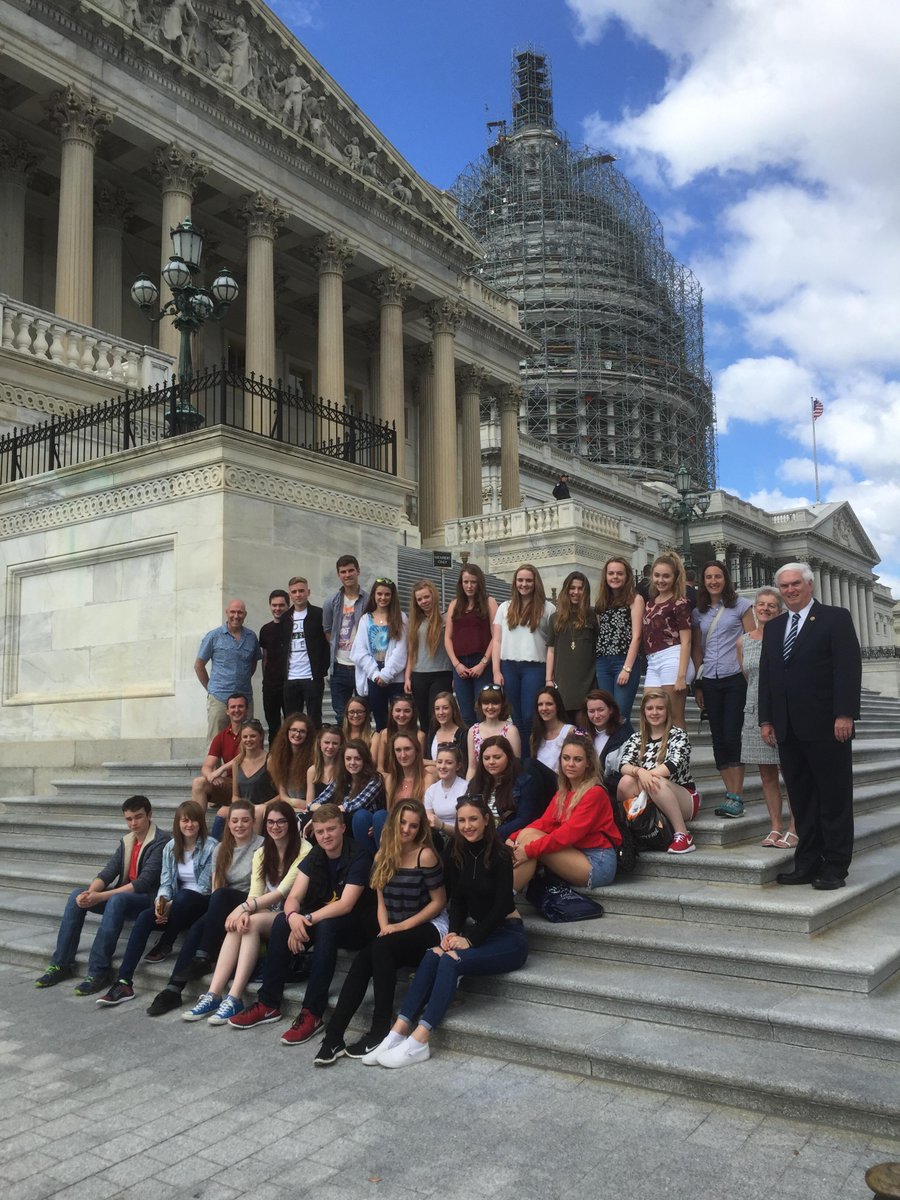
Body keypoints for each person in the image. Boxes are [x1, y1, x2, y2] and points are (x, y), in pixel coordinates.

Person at [370, 796, 527, 1068]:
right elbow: (458, 901)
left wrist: (470, 940)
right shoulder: (457, 852)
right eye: (462, 820)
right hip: (480, 933)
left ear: (486, 820)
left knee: (451, 961)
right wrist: (452, 934)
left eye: (473, 819)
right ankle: (397, 1032)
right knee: (434, 954)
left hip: (508, 936)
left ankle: (420, 1039)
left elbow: (502, 904)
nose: (467, 826)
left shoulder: (500, 854)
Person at [227, 804, 375, 1045]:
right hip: (319, 919)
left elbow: (346, 905)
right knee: (281, 922)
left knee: (326, 926)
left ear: (342, 828)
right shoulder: (315, 854)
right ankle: (268, 1003)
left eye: (331, 829)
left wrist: (306, 920)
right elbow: (293, 897)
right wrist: (294, 918)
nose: (325, 836)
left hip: (355, 927)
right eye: (320, 831)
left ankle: (312, 1013)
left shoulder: (358, 855)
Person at [313, 800, 447, 1065]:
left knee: (380, 948)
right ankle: (333, 1037)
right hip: (395, 932)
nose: (406, 829)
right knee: (365, 957)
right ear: (393, 822)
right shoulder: (381, 856)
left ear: (420, 829)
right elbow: (381, 903)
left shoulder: (425, 855)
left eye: (413, 825)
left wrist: (399, 927)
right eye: (402, 823)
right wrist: (385, 928)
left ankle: (380, 1029)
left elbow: (438, 902)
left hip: (430, 928)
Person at [759, 562, 861, 889]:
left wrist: (845, 713)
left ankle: (835, 866)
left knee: (833, 797)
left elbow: (847, 668)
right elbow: (768, 676)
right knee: (802, 799)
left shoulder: (835, 618)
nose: (790, 590)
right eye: (784, 586)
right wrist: (766, 718)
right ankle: (806, 862)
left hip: (828, 725)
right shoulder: (774, 627)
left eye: (795, 584)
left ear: (809, 585)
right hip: (788, 727)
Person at [182, 800, 309, 1024]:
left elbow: (281, 892)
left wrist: (243, 908)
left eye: (281, 822)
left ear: (290, 823)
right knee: (242, 923)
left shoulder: (304, 849)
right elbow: (255, 892)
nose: (275, 827)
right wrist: (244, 911)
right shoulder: (262, 852)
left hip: (292, 914)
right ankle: (214, 994)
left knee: (249, 921)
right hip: (267, 912)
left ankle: (234, 997)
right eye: (270, 822)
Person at [34, 795, 167, 996]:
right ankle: (61, 964)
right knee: (76, 896)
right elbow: (107, 873)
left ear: (149, 815)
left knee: (116, 899)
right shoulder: (128, 841)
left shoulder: (161, 841)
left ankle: (98, 971)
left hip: (148, 900)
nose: (133, 823)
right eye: (129, 819)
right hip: (123, 897)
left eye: (138, 817)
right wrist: (90, 893)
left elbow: (143, 883)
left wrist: (101, 897)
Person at [144, 799, 263, 1015]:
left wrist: (241, 908)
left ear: (253, 821)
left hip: (252, 902)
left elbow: (259, 887)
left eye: (245, 820)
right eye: (235, 821)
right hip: (223, 904)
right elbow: (217, 886)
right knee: (199, 925)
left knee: (220, 897)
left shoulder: (262, 846)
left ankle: (204, 956)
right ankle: (173, 990)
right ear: (228, 823)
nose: (239, 825)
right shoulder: (221, 848)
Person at [96, 800, 216, 1006]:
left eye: (194, 820)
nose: (189, 825)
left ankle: (166, 942)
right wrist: (162, 903)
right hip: (176, 904)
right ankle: (123, 982)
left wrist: (170, 905)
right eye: (185, 821)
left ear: (201, 823)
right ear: (178, 823)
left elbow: (204, 887)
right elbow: (166, 882)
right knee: (145, 916)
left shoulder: (212, 847)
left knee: (184, 897)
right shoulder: (170, 847)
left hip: (200, 905)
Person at [508, 733, 620, 891]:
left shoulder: (595, 793)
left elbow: (569, 834)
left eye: (578, 759)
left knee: (531, 843)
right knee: (527, 834)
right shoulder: (564, 792)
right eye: (566, 758)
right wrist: (513, 837)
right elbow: (545, 823)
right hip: (575, 852)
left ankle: (505, 898)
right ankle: (506, 894)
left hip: (598, 862)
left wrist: (528, 850)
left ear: (588, 763)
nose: (570, 764)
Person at [691, 560, 755, 819]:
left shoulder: (741, 605)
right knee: (718, 738)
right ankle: (731, 794)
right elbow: (697, 649)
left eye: (718, 576)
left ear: (726, 579)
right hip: (710, 679)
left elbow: (752, 640)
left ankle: (737, 795)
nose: (713, 581)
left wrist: (750, 676)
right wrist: (698, 684)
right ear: (703, 581)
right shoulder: (699, 612)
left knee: (731, 735)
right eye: (708, 577)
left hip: (735, 677)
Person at [739, 587, 797, 849]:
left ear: (780, 610)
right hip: (754, 711)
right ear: (754, 609)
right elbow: (748, 676)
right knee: (766, 775)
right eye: (761, 604)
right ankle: (775, 826)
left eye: (771, 605)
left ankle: (795, 826)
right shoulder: (743, 641)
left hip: (783, 711)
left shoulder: (788, 637)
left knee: (791, 773)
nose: (765, 609)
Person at [617, 689, 701, 855]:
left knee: (655, 781)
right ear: (644, 712)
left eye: (660, 708)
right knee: (625, 781)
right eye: (650, 708)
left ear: (667, 711)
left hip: (683, 797)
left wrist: (646, 775)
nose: (654, 712)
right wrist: (639, 771)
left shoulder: (678, 735)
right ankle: (628, 830)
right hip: (650, 795)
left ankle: (683, 835)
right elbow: (623, 765)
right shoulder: (636, 738)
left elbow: (673, 765)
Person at [492, 563, 555, 747]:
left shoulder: (548, 608)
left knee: (529, 715)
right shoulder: (505, 607)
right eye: (520, 580)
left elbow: (552, 645)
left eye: (528, 580)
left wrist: (550, 676)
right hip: (509, 667)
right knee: (516, 716)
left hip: (535, 668)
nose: (524, 584)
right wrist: (496, 671)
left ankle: (533, 753)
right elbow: (497, 641)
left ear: (536, 582)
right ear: (515, 582)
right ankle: (520, 757)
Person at [194, 600, 261, 744]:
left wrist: (242, 678)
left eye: (240, 612)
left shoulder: (251, 637)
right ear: (227, 613)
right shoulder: (214, 636)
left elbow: (253, 663)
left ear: (245, 614)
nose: (236, 616)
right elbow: (199, 665)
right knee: (216, 741)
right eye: (233, 612)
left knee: (247, 742)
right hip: (220, 698)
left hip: (245, 698)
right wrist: (211, 689)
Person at [641, 553, 694, 726]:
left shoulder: (680, 602)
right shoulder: (650, 603)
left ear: (675, 578)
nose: (660, 580)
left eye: (666, 576)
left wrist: (681, 676)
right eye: (657, 575)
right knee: (652, 715)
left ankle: (679, 746)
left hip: (673, 658)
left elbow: (686, 641)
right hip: (653, 661)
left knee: (674, 716)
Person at [351, 577, 408, 732]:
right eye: (380, 594)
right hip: (373, 675)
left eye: (387, 594)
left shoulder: (401, 617)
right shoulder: (365, 619)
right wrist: (376, 674)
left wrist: (387, 674)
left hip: (395, 675)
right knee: (380, 720)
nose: (383, 598)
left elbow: (402, 649)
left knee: (399, 719)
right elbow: (359, 650)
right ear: (374, 595)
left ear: (392, 596)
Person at [445, 563, 498, 726]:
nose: (469, 586)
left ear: (479, 583)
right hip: (460, 665)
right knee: (466, 714)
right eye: (466, 582)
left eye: (473, 582)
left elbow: (496, 636)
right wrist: (456, 664)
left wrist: (483, 663)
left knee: (483, 711)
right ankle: (470, 743)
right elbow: (448, 638)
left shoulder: (489, 602)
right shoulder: (454, 604)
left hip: (482, 663)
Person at [594, 557, 645, 723]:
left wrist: (627, 668)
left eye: (619, 573)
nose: (615, 577)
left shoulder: (635, 599)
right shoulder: (602, 602)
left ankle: (629, 742)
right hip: (603, 662)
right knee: (607, 716)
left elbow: (637, 636)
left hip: (623, 661)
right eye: (611, 573)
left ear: (627, 576)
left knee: (620, 715)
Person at [275, 577, 329, 728]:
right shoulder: (285, 618)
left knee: (314, 719)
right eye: (294, 592)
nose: (298, 594)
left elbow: (326, 644)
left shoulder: (319, 614)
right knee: (292, 722)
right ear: (290, 595)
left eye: (301, 591)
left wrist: (321, 670)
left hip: (312, 677)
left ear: (308, 592)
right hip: (291, 677)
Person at [322, 555, 369, 726]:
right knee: (341, 715)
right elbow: (327, 630)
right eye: (343, 572)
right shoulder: (331, 602)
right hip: (339, 666)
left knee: (364, 714)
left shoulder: (369, 600)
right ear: (338, 575)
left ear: (358, 571)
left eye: (351, 570)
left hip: (362, 666)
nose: (347, 575)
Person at [313, 739, 386, 848]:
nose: (352, 763)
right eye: (348, 759)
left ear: (365, 760)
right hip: (348, 826)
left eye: (357, 759)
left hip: (370, 827)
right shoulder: (341, 778)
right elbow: (314, 803)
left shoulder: (375, 779)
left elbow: (356, 804)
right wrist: (318, 814)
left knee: (360, 815)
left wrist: (326, 811)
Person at [468, 734, 542, 841]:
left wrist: (492, 835)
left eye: (497, 757)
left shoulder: (524, 782)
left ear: (508, 757)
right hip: (476, 837)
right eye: (486, 758)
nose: (491, 762)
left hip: (507, 839)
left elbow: (524, 819)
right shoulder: (475, 782)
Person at [546, 571, 597, 720]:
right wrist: (548, 679)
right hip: (563, 682)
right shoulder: (555, 618)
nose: (576, 592)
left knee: (584, 725)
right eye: (572, 588)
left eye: (580, 588)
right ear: (566, 590)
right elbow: (551, 650)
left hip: (587, 681)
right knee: (565, 726)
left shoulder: (592, 616)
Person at [405, 579, 454, 731]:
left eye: (426, 597)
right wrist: (407, 677)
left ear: (433, 595)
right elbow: (411, 651)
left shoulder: (446, 618)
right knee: (424, 718)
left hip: (442, 673)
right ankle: (426, 745)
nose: (424, 601)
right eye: (419, 599)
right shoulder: (415, 622)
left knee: (438, 716)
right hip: (419, 674)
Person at [190, 694, 247, 810]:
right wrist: (211, 776)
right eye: (233, 707)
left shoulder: (252, 734)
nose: (236, 710)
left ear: (246, 710)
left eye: (240, 706)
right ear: (227, 711)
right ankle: (198, 821)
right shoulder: (220, 737)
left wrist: (220, 769)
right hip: (230, 784)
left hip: (249, 783)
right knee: (198, 783)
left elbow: (245, 756)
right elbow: (206, 766)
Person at [578, 689, 634, 794]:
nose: (596, 715)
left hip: (609, 792)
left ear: (611, 710)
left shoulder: (623, 736)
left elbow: (619, 774)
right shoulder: (581, 734)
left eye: (601, 710)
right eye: (591, 711)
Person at [465, 683, 521, 778]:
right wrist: (469, 786)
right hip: (481, 781)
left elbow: (516, 766)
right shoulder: (473, 731)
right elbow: (472, 768)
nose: (490, 707)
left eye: (495, 703)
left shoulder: (511, 730)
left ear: (502, 704)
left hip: (506, 781)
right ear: (480, 705)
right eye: (486, 703)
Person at [258, 589, 290, 743]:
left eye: (281, 605)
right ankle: (274, 757)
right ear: (270, 606)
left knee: (291, 726)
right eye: (274, 605)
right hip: (271, 686)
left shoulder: (294, 627)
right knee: (273, 727)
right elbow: (265, 657)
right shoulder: (265, 630)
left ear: (288, 606)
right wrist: (266, 681)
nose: (277, 609)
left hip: (290, 684)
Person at [268, 713, 316, 814]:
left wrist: (301, 805)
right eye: (294, 730)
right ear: (287, 731)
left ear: (308, 735)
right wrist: (294, 803)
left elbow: (310, 802)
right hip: (290, 805)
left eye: (302, 731)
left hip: (310, 807)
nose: (297, 734)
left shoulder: (314, 759)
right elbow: (283, 796)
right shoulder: (276, 758)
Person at [424, 744, 468, 840]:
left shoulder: (465, 788)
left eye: (449, 763)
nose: (442, 766)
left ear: (458, 766)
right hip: (437, 838)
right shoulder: (431, 790)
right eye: (439, 762)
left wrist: (442, 826)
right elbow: (429, 819)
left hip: (460, 839)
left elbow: (467, 828)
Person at [373, 693, 425, 774]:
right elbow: (380, 768)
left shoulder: (419, 736)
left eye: (407, 711)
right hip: (388, 776)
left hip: (412, 776)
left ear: (413, 713)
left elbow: (419, 764)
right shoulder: (384, 734)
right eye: (398, 710)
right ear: (392, 712)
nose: (402, 715)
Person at [530, 686, 576, 773]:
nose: (544, 708)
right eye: (540, 704)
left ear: (557, 706)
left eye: (549, 704)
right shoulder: (535, 736)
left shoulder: (571, 731)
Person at [427, 691, 467, 768]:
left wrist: (431, 763)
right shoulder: (432, 733)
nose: (441, 712)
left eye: (445, 708)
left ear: (453, 710)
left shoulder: (463, 734)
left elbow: (463, 764)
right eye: (437, 709)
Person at [306, 726, 344, 805]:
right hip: (318, 811)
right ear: (319, 743)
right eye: (327, 742)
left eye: (335, 743)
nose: (330, 747)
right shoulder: (312, 771)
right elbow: (309, 804)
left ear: (340, 745)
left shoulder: (345, 769)